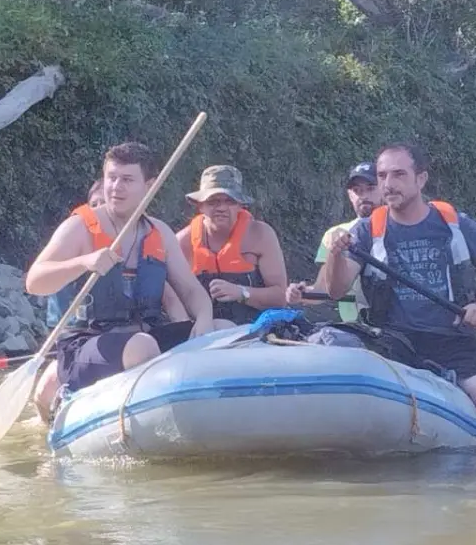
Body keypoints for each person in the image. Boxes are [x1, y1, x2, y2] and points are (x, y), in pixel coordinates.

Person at [287, 143, 476, 442]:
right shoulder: (365, 231)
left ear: (420, 179)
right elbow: (335, 290)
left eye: (398, 174)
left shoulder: (454, 224)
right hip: (393, 341)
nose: (388, 184)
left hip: (453, 340)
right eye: (382, 176)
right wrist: (334, 254)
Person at [25, 142, 214, 420]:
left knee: (224, 328)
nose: (116, 187)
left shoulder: (159, 232)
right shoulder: (79, 228)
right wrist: (84, 262)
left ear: (149, 186)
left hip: (143, 332)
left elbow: (190, 289)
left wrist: (205, 317)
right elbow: (34, 281)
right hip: (87, 342)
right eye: (111, 178)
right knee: (143, 346)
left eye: (127, 180)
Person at [172, 165, 289, 327]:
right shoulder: (181, 242)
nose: (221, 208)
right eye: (213, 202)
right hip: (203, 332)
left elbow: (280, 297)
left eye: (229, 201)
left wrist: (241, 293)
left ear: (240, 205)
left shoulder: (261, 234)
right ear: (200, 206)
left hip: (255, 331)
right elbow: (172, 300)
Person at [313, 161, 381, 323]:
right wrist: (300, 293)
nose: (363, 196)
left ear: (383, 190)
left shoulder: (397, 229)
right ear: (350, 195)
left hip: (392, 324)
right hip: (353, 328)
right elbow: (321, 289)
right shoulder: (334, 235)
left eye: (371, 189)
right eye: (357, 191)